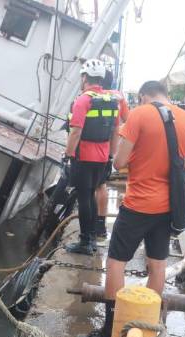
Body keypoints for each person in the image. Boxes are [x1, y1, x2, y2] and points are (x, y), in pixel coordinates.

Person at [78, 80, 185, 337]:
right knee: (157, 264)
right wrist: (174, 159)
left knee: (116, 262)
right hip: (168, 208)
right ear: (166, 95)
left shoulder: (139, 115)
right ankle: (146, 323)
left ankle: (110, 329)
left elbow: (120, 161)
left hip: (137, 205)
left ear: (143, 96)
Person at [64, 59, 119, 254]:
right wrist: (111, 155)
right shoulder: (112, 100)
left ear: (85, 77)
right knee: (93, 195)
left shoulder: (83, 100)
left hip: (84, 157)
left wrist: (67, 155)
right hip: (103, 157)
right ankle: (93, 238)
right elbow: (115, 130)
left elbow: (76, 132)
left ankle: (85, 242)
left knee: (84, 197)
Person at [95, 69, 130, 240]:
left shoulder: (93, 95)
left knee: (92, 188)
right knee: (102, 186)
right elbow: (127, 120)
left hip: (90, 148)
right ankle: (101, 225)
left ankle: (91, 224)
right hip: (109, 150)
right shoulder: (119, 98)